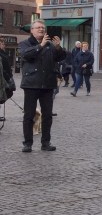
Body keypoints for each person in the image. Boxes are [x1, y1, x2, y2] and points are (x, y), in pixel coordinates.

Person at [19, 20, 66, 152]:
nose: (41, 29)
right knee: (29, 115)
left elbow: (60, 58)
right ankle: (27, 143)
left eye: (43, 28)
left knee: (47, 116)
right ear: (32, 30)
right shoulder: (24, 44)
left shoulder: (50, 45)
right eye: (38, 27)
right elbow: (26, 55)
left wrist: (58, 48)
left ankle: (46, 142)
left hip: (47, 84)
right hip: (31, 84)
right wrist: (41, 45)